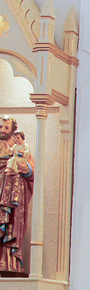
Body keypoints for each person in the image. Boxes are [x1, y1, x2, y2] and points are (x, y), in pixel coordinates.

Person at [0, 118, 34, 275]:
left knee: (10, 225)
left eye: (6, 127)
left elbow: (30, 174)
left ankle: (8, 262)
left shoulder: (21, 149)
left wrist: (25, 169)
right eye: (0, 126)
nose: (2, 130)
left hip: (13, 195)